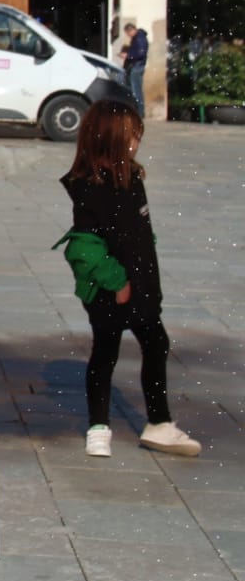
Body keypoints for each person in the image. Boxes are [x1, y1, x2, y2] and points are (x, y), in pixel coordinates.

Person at [58, 99, 200, 459]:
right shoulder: (89, 187)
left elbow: (140, 232)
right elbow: (84, 246)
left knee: (156, 344)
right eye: (133, 136)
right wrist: (116, 282)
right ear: (111, 139)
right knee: (105, 353)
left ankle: (159, 423)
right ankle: (98, 426)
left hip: (141, 286)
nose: (138, 142)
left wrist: (147, 281)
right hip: (110, 289)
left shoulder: (132, 177)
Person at [120, 21, 149, 114]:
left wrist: (128, 55)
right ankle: (138, 111)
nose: (128, 35)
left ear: (131, 30)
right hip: (136, 65)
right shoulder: (138, 38)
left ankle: (139, 112)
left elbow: (141, 53)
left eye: (128, 33)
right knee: (135, 89)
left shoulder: (139, 38)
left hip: (137, 66)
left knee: (136, 90)